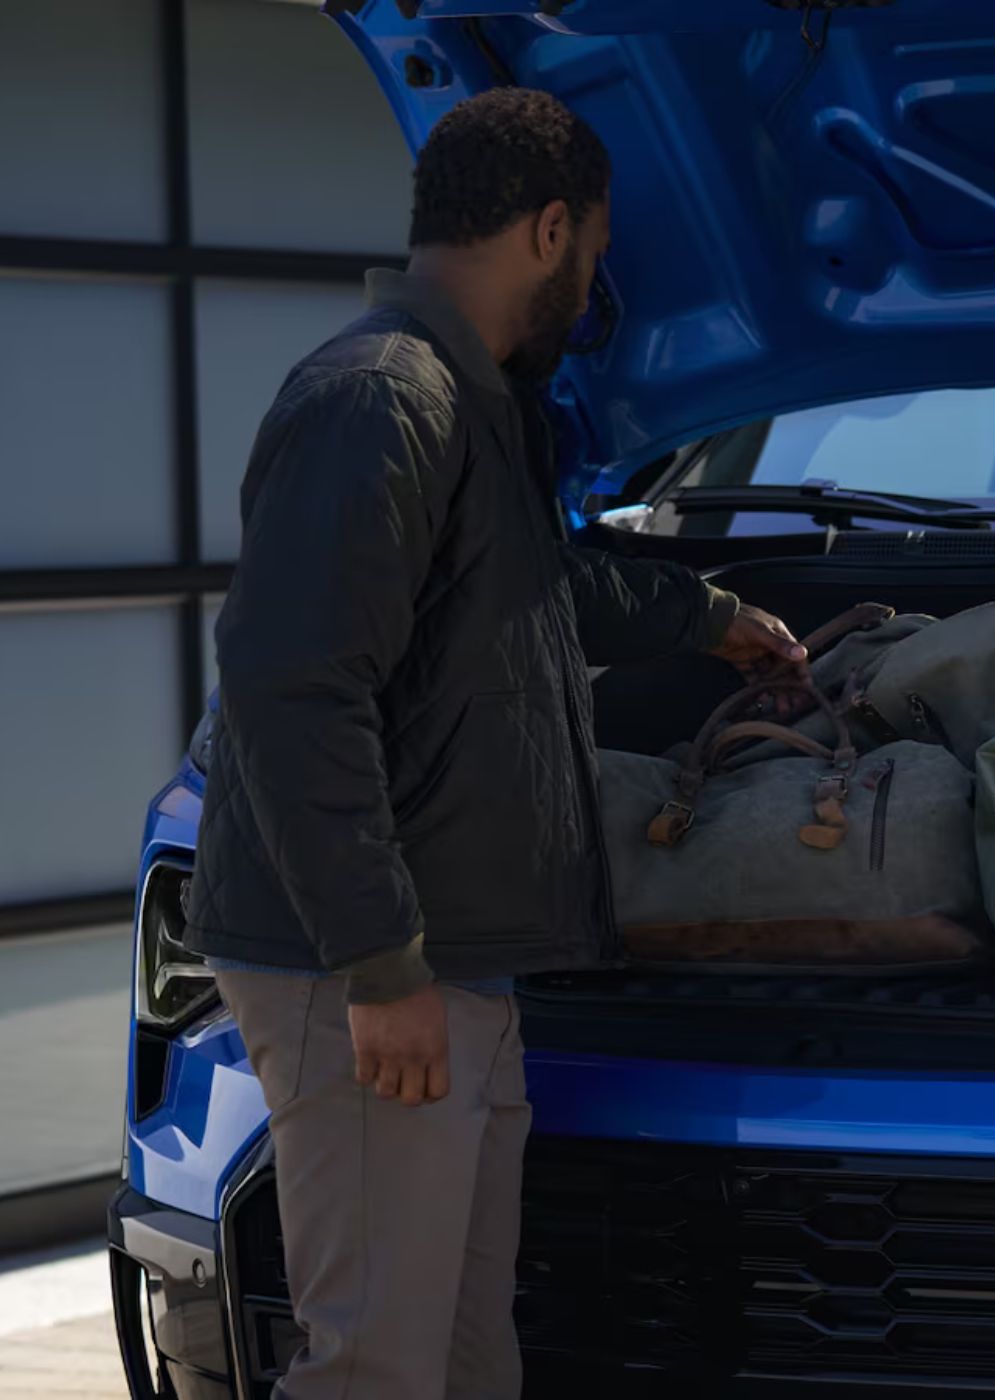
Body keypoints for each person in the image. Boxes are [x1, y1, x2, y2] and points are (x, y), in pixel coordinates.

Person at [181, 88, 802, 1398]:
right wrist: (382, 966)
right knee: (376, 1371)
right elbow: (291, 692)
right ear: (549, 228)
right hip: (363, 966)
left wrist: (709, 615)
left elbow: (536, 585)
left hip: (456, 958)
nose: (597, 285)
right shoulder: (379, 400)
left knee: (467, 1362)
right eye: (595, 253)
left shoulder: (477, 401)